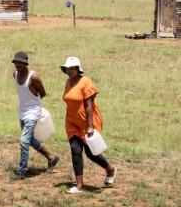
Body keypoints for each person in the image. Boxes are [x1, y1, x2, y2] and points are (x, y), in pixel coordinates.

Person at [61, 56, 116, 193]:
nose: (70, 71)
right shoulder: (68, 82)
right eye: (68, 68)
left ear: (78, 69)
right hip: (72, 121)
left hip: (87, 121)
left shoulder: (86, 82)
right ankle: (79, 186)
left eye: (72, 68)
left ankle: (110, 170)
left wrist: (90, 126)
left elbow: (89, 105)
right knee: (75, 151)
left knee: (91, 154)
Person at [11, 51, 59, 179]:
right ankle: (51, 157)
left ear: (25, 63)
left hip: (33, 112)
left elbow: (42, 93)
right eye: (16, 62)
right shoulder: (15, 74)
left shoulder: (34, 77)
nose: (18, 65)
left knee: (24, 140)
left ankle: (22, 171)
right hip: (22, 111)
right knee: (30, 139)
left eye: (21, 63)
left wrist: (33, 106)